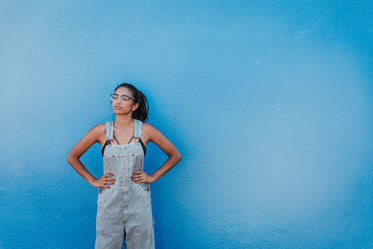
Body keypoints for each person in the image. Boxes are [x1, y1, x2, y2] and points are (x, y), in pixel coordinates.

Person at [67, 83, 182, 249]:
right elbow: (72, 157)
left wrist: (152, 177)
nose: (117, 101)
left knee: (141, 245)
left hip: (139, 200)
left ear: (134, 105)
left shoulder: (145, 130)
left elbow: (175, 155)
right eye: (115, 97)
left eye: (124, 98)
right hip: (109, 200)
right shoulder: (101, 131)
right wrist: (93, 180)